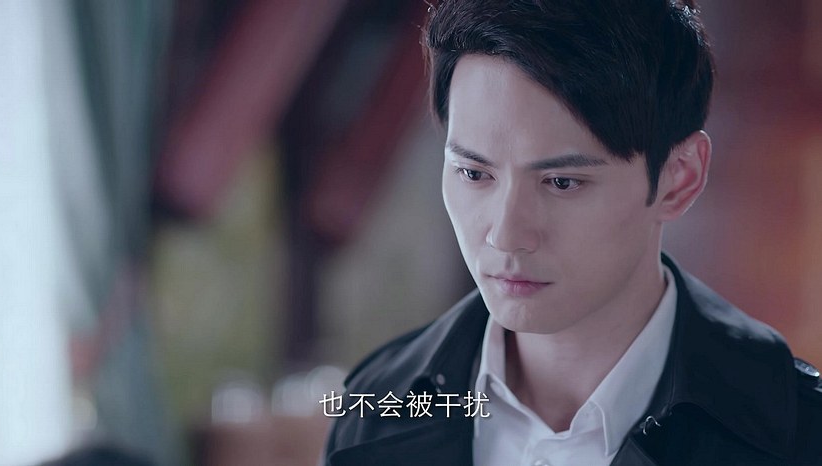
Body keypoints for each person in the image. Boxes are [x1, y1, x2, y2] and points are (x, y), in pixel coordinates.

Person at [322, 0, 822, 464]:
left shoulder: (798, 432)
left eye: (562, 182)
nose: (505, 235)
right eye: (474, 173)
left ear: (679, 177)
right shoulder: (376, 407)